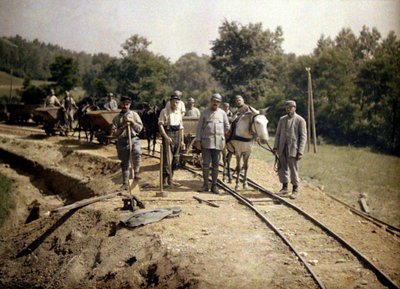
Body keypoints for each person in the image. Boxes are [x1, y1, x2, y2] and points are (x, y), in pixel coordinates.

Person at [195, 93, 230, 194]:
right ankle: (205, 185)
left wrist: (222, 135)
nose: (215, 103)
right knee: (206, 164)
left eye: (218, 102)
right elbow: (199, 128)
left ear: (219, 103)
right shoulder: (204, 113)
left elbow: (227, 127)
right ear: (211, 101)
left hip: (218, 143)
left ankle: (214, 186)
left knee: (216, 165)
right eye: (214, 101)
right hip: (207, 143)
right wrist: (198, 140)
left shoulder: (223, 113)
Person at [273, 100, 307, 199]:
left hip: (293, 149)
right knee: (282, 168)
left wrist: (300, 151)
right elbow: (278, 134)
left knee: (293, 169)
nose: (289, 109)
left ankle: (295, 189)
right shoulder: (282, 119)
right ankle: (284, 188)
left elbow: (303, 137)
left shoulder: (300, 120)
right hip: (282, 148)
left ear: (294, 108)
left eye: (291, 107)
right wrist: (275, 147)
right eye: (287, 108)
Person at [111, 96, 143, 188]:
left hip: (133, 139)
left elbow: (139, 129)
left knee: (137, 152)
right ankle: (125, 183)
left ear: (130, 104)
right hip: (122, 141)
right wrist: (124, 126)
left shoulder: (134, 115)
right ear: (120, 104)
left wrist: (132, 122)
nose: (125, 106)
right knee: (124, 162)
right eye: (123, 104)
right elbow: (114, 134)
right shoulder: (116, 118)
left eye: (127, 104)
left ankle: (136, 173)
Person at [158, 93, 185, 188]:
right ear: (170, 102)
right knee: (167, 158)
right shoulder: (164, 111)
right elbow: (160, 125)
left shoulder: (178, 112)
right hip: (168, 134)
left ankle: (171, 179)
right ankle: (164, 180)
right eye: (173, 102)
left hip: (177, 135)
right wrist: (166, 137)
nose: (175, 104)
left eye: (177, 102)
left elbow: (181, 127)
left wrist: (182, 141)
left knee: (176, 158)